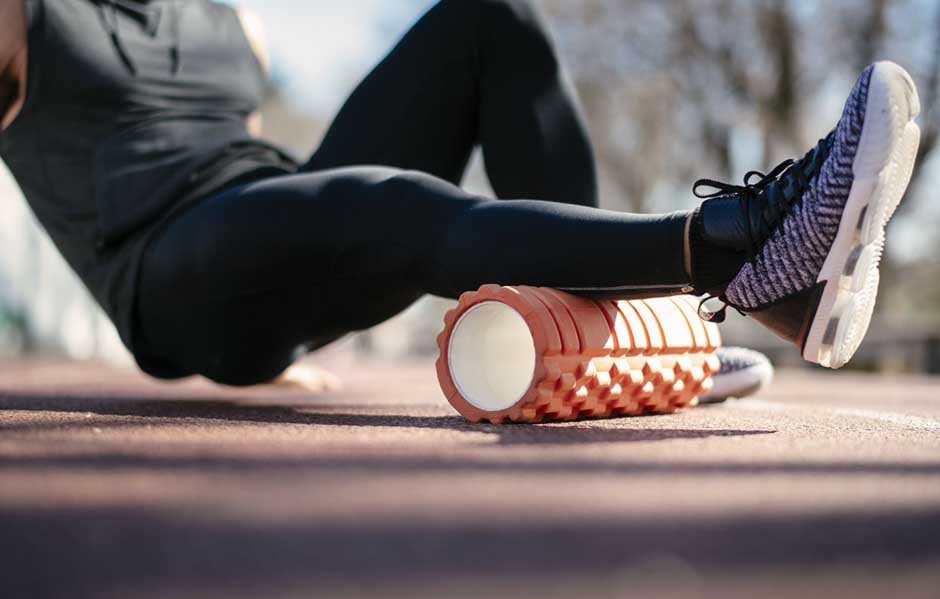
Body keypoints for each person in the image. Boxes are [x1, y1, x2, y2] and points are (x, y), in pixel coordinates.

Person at [0, 0, 921, 390]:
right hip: (167, 274)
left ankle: (606, 344)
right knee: (384, 200)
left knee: (488, 19)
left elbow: (257, 171)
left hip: (267, 223)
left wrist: (281, 282)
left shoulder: (223, 16)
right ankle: (739, 245)